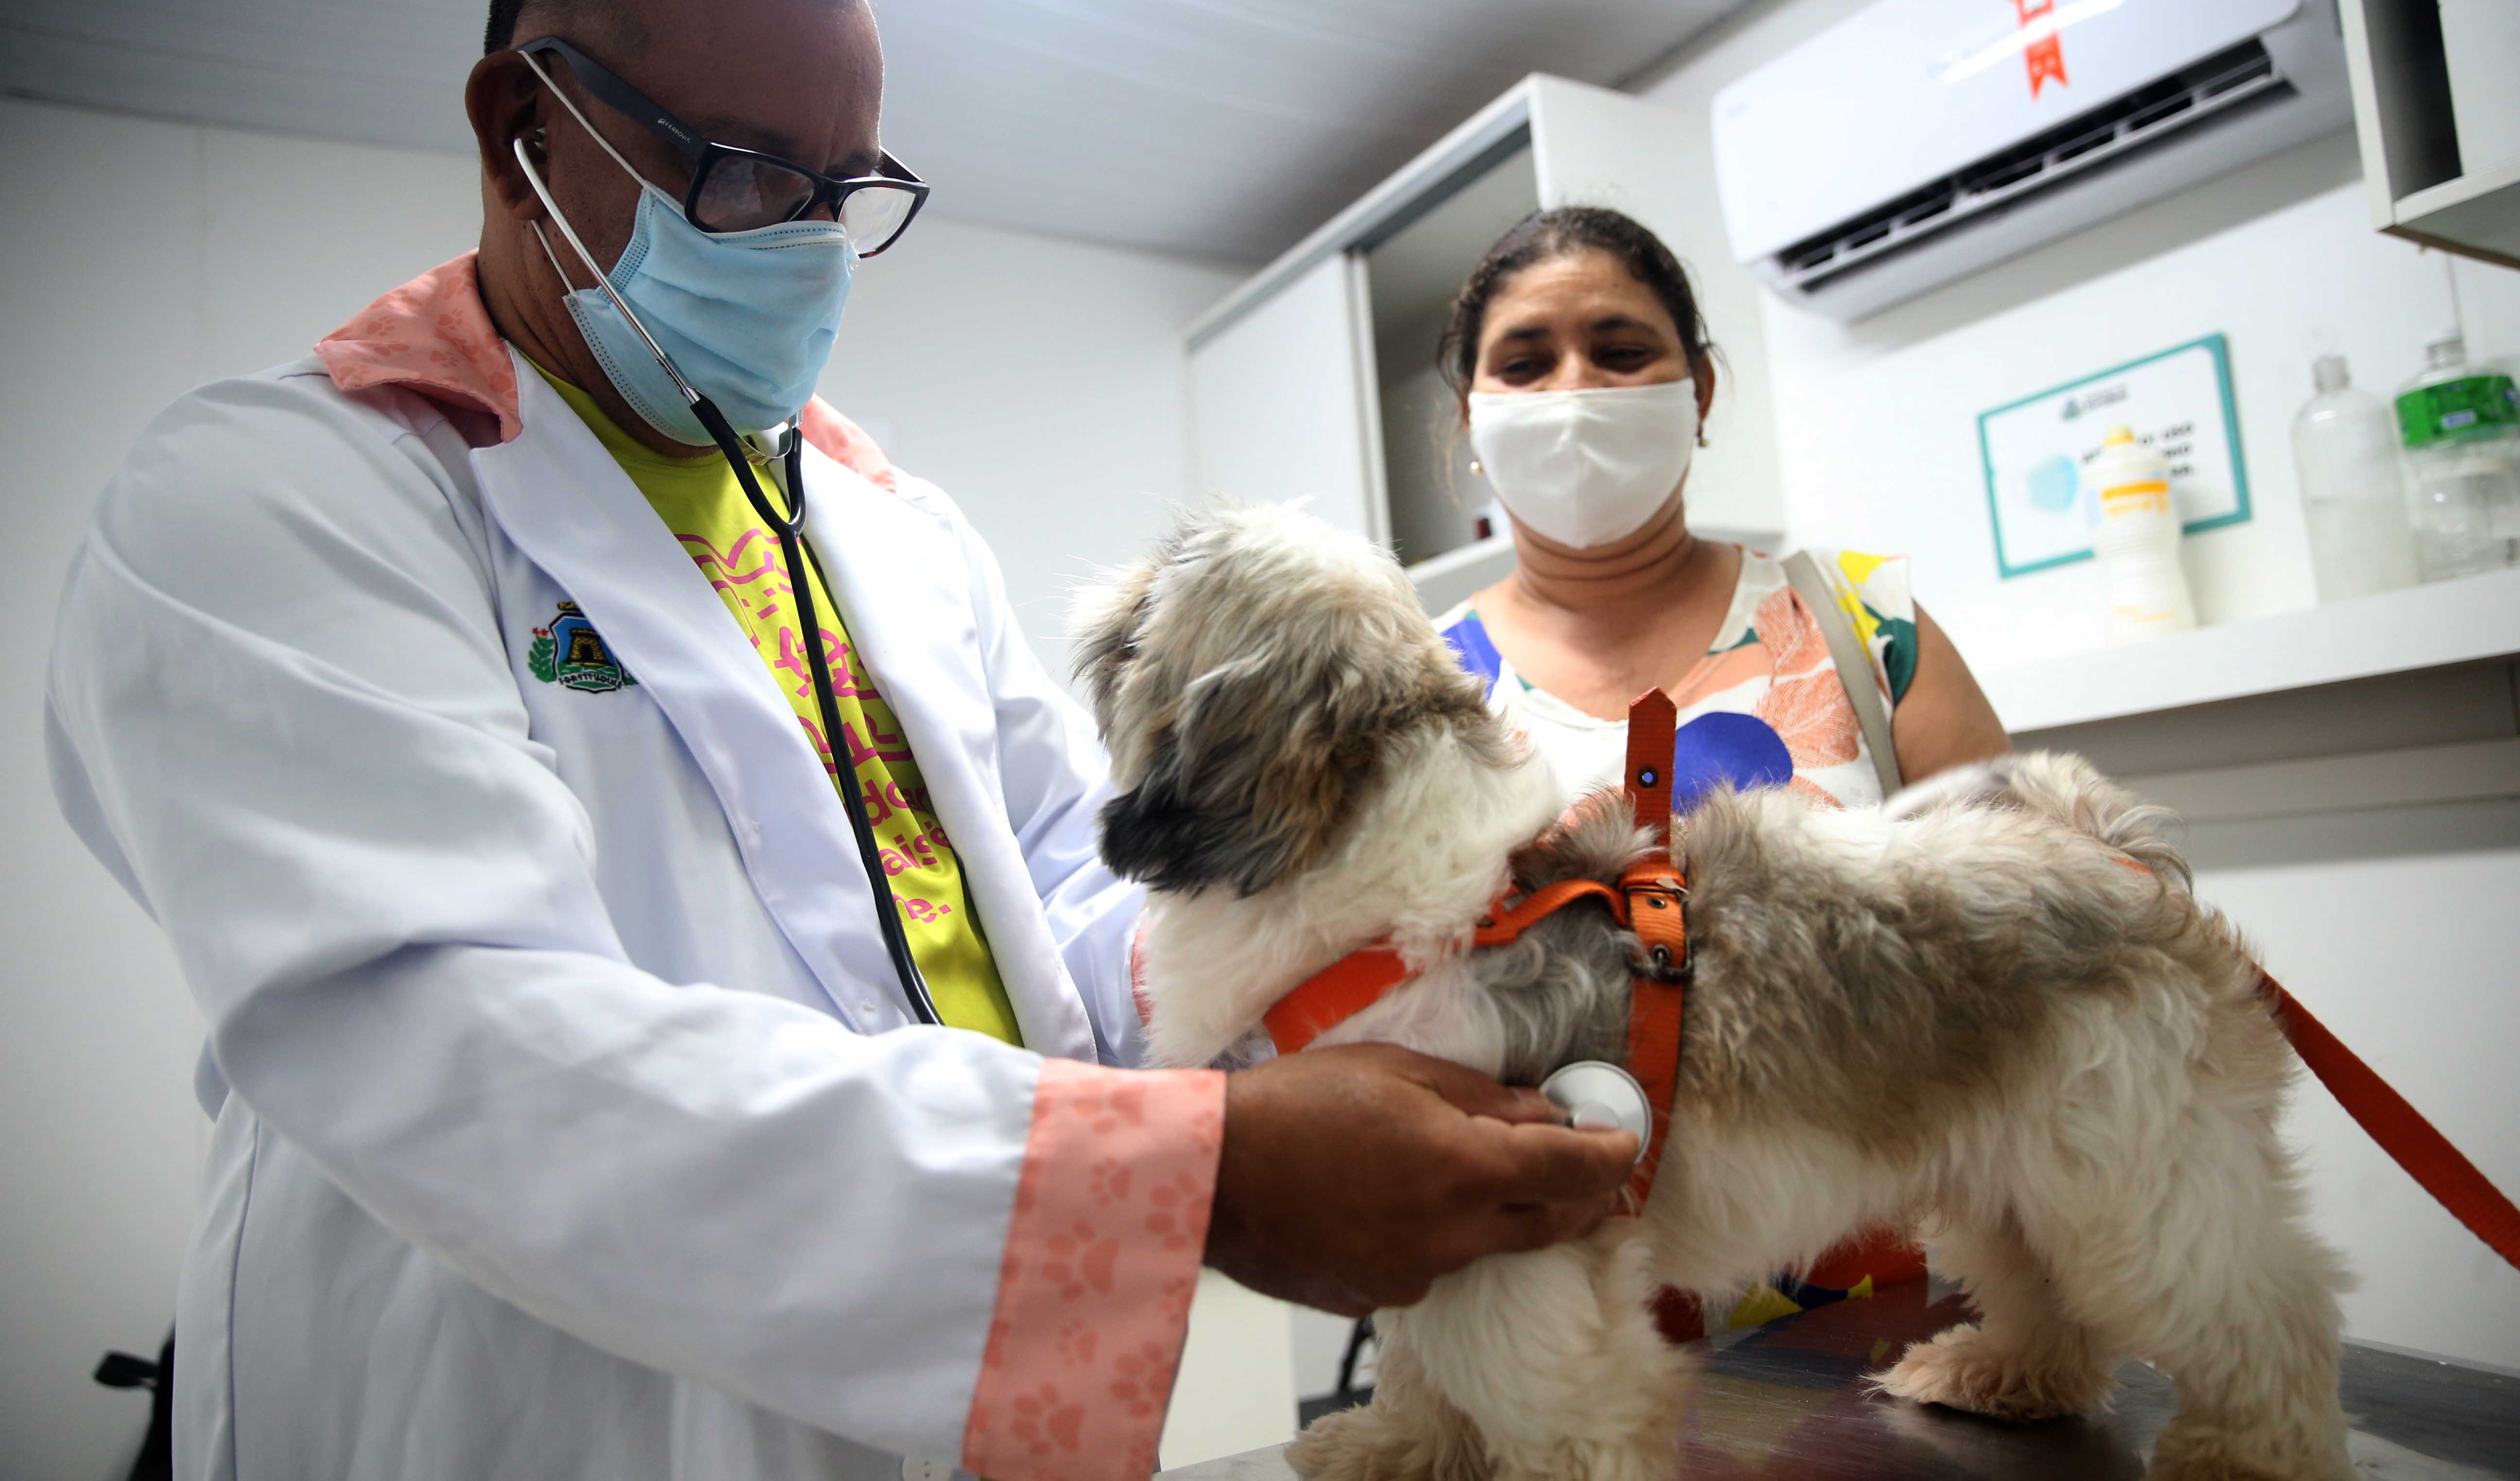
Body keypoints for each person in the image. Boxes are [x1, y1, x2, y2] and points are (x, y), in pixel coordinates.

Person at [40, 4, 1636, 1478]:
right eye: (744, 174)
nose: (807, 243)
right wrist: (1199, 1178)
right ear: (520, 127)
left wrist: (1425, 960)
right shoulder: (288, 493)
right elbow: (462, 1044)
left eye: (843, 185)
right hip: (535, 1423)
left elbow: (1084, 906)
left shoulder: (885, 525)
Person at [1429, 205, 2013, 1334]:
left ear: (1698, 393)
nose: (1575, 389)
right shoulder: (1417, 690)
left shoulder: (1861, 618)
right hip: (1542, 1316)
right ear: (1473, 420)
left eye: (1620, 348)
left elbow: (2027, 934)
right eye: (1525, 361)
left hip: (1875, 1309)